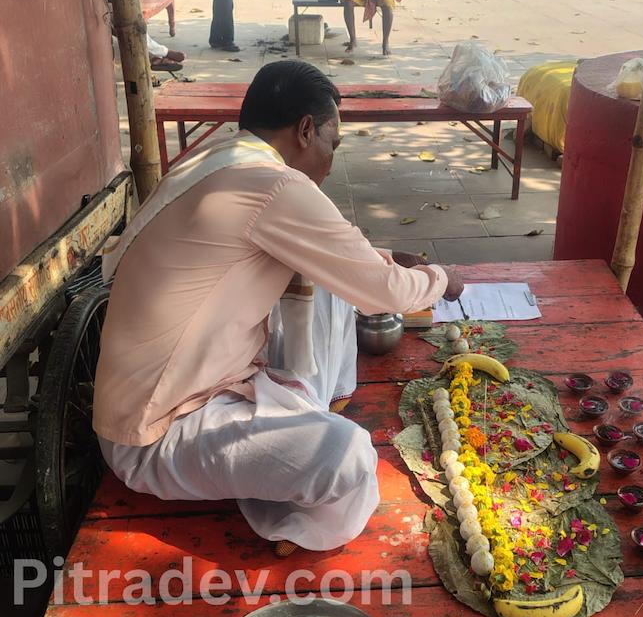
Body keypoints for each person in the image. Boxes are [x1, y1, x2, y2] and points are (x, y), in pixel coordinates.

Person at [93, 61, 465, 557]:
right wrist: (442, 280)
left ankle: (283, 444)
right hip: (154, 434)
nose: (332, 161)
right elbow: (383, 293)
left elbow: (341, 255)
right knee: (347, 456)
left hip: (193, 389)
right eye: (332, 143)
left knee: (327, 281)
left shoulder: (221, 157)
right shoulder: (275, 186)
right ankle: (291, 521)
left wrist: (381, 258)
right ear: (305, 130)